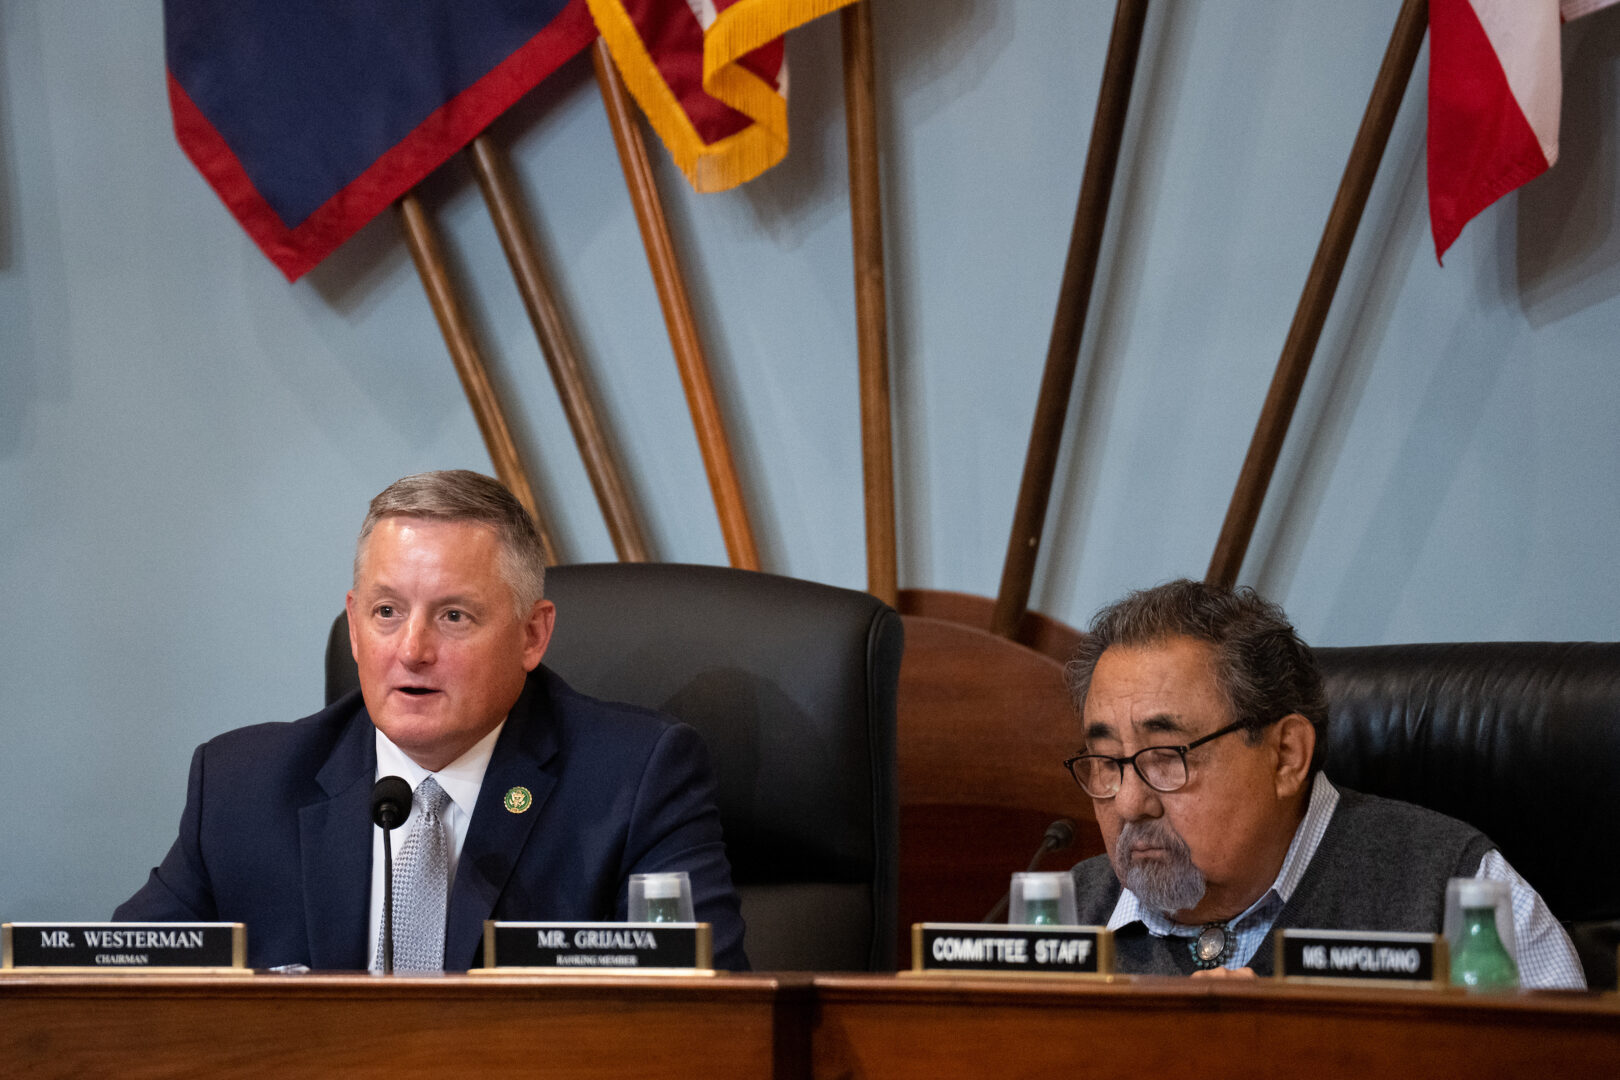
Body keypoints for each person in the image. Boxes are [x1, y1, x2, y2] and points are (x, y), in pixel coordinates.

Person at [115, 470, 747, 972]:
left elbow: (704, 1022)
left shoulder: (635, 778)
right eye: (387, 611)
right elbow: (114, 989)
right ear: (355, 627)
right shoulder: (241, 787)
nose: (412, 649)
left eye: (453, 617)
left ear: (533, 634)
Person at [1063, 579, 1583, 986]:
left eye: (1165, 756)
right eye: (1107, 761)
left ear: (1287, 755)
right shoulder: (1062, 921)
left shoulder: (1459, 897)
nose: (1130, 802)